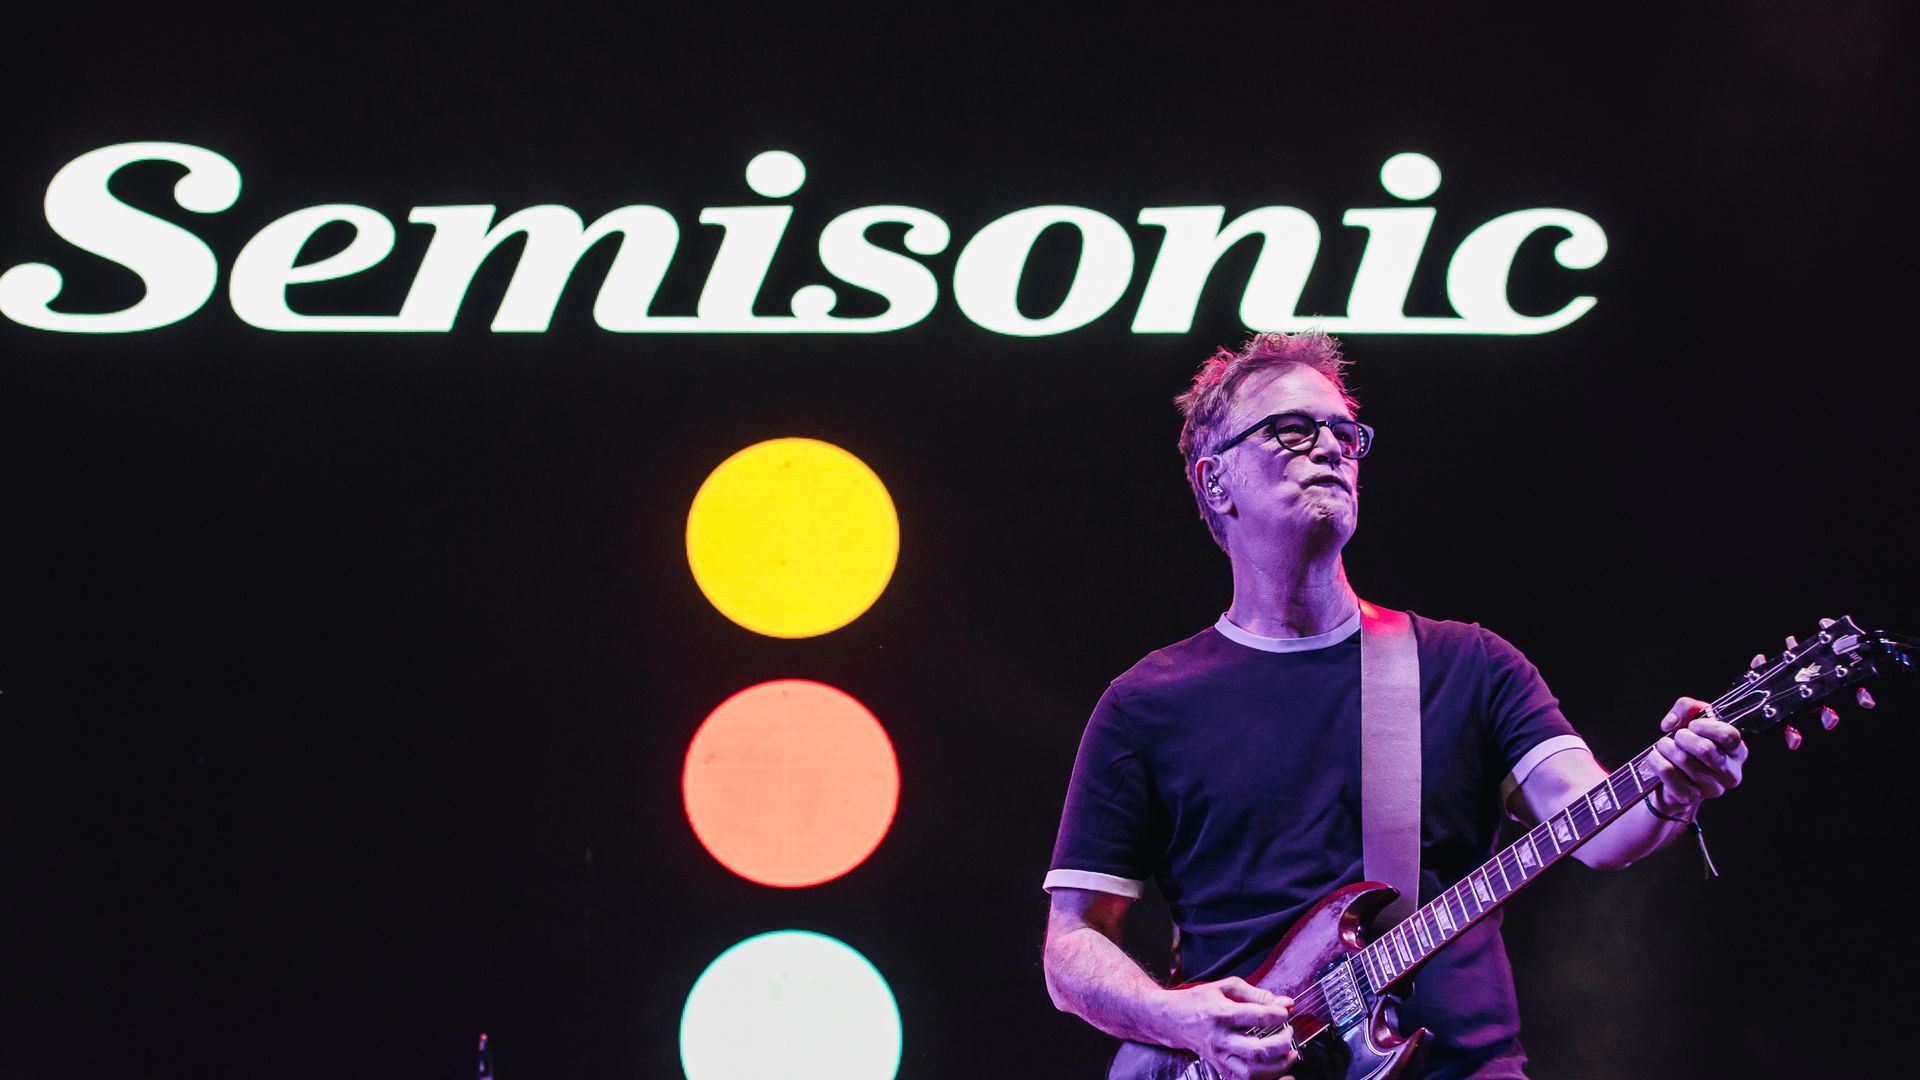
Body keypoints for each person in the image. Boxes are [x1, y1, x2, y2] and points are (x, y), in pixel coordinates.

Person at [1040, 330, 1748, 1080]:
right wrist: (1180, 1018)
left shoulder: (1466, 664)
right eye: (1292, 429)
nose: (1329, 448)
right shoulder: (1147, 704)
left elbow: (1600, 826)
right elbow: (1071, 947)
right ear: (1217, 482)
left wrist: (1671, 791)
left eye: (1345, 433)